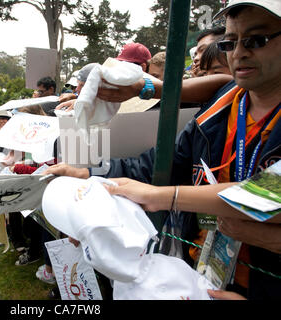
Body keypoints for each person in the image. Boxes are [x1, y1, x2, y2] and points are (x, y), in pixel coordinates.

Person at [45, 0, 281, 299]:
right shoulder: (221, 107)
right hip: (200, 273)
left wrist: (160, 196)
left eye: (256, 40)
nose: (239, 53)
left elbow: (269, 194)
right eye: (230, 42)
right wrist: (89, 173)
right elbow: (159, 165)